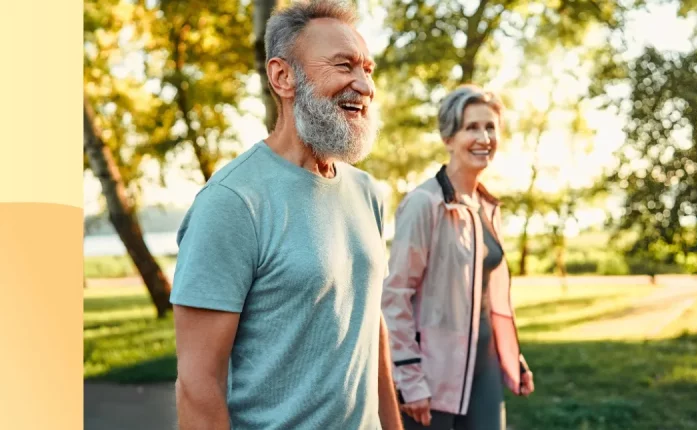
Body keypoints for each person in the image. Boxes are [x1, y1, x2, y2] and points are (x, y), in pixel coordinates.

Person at [169, 1, 402, 429]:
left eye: (367, 69)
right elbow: (197, 384)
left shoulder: (368, 192)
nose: (364, 85)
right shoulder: (232, 202)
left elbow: (372, 328)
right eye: (344, 66)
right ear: (283, 76)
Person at [382, 85, 535, 430]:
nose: (484, 137)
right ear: (448, 138)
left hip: (485, 368)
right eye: (472, 127)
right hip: (433, 374)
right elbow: (394, 297)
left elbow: (485, 296)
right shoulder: (425, 203)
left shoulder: (488, 206)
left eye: (490, 127)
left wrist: (512, 356)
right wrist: (409, 377)